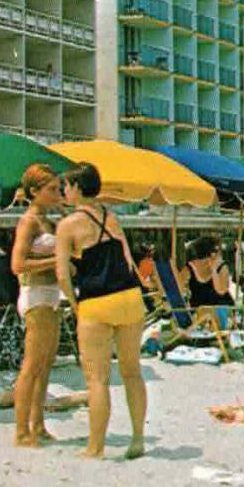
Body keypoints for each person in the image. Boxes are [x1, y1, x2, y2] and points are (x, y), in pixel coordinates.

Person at [54, 163, 149, 460]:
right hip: (130, 298)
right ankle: (137, 439)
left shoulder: (68, 225)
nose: (63, 192)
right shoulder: (113, 217)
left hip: (97, 301)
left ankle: (95, 448)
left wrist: (74, 304)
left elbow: (61, 274)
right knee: (132, 372)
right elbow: (129, 261)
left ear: (78, 188)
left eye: (66, 186)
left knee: (97, 380)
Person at [10, 163, 64, 448]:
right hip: (35, 293)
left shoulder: (50, 221)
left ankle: (38, 425)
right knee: (31, 365)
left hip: (52, 295)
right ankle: (21, 431)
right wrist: (56, 261)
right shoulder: (29, 221)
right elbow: (17, 264)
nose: (58, 193)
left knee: (45, 365)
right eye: (52, 189)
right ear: (35, 192)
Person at [183, 236, 238, 330]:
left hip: (220, 309)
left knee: (209, 313)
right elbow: (181, 290)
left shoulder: (221, 267)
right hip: (199, 311)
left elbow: (221, 291)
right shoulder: (189, 268)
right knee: (203, 313)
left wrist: (213, 270)